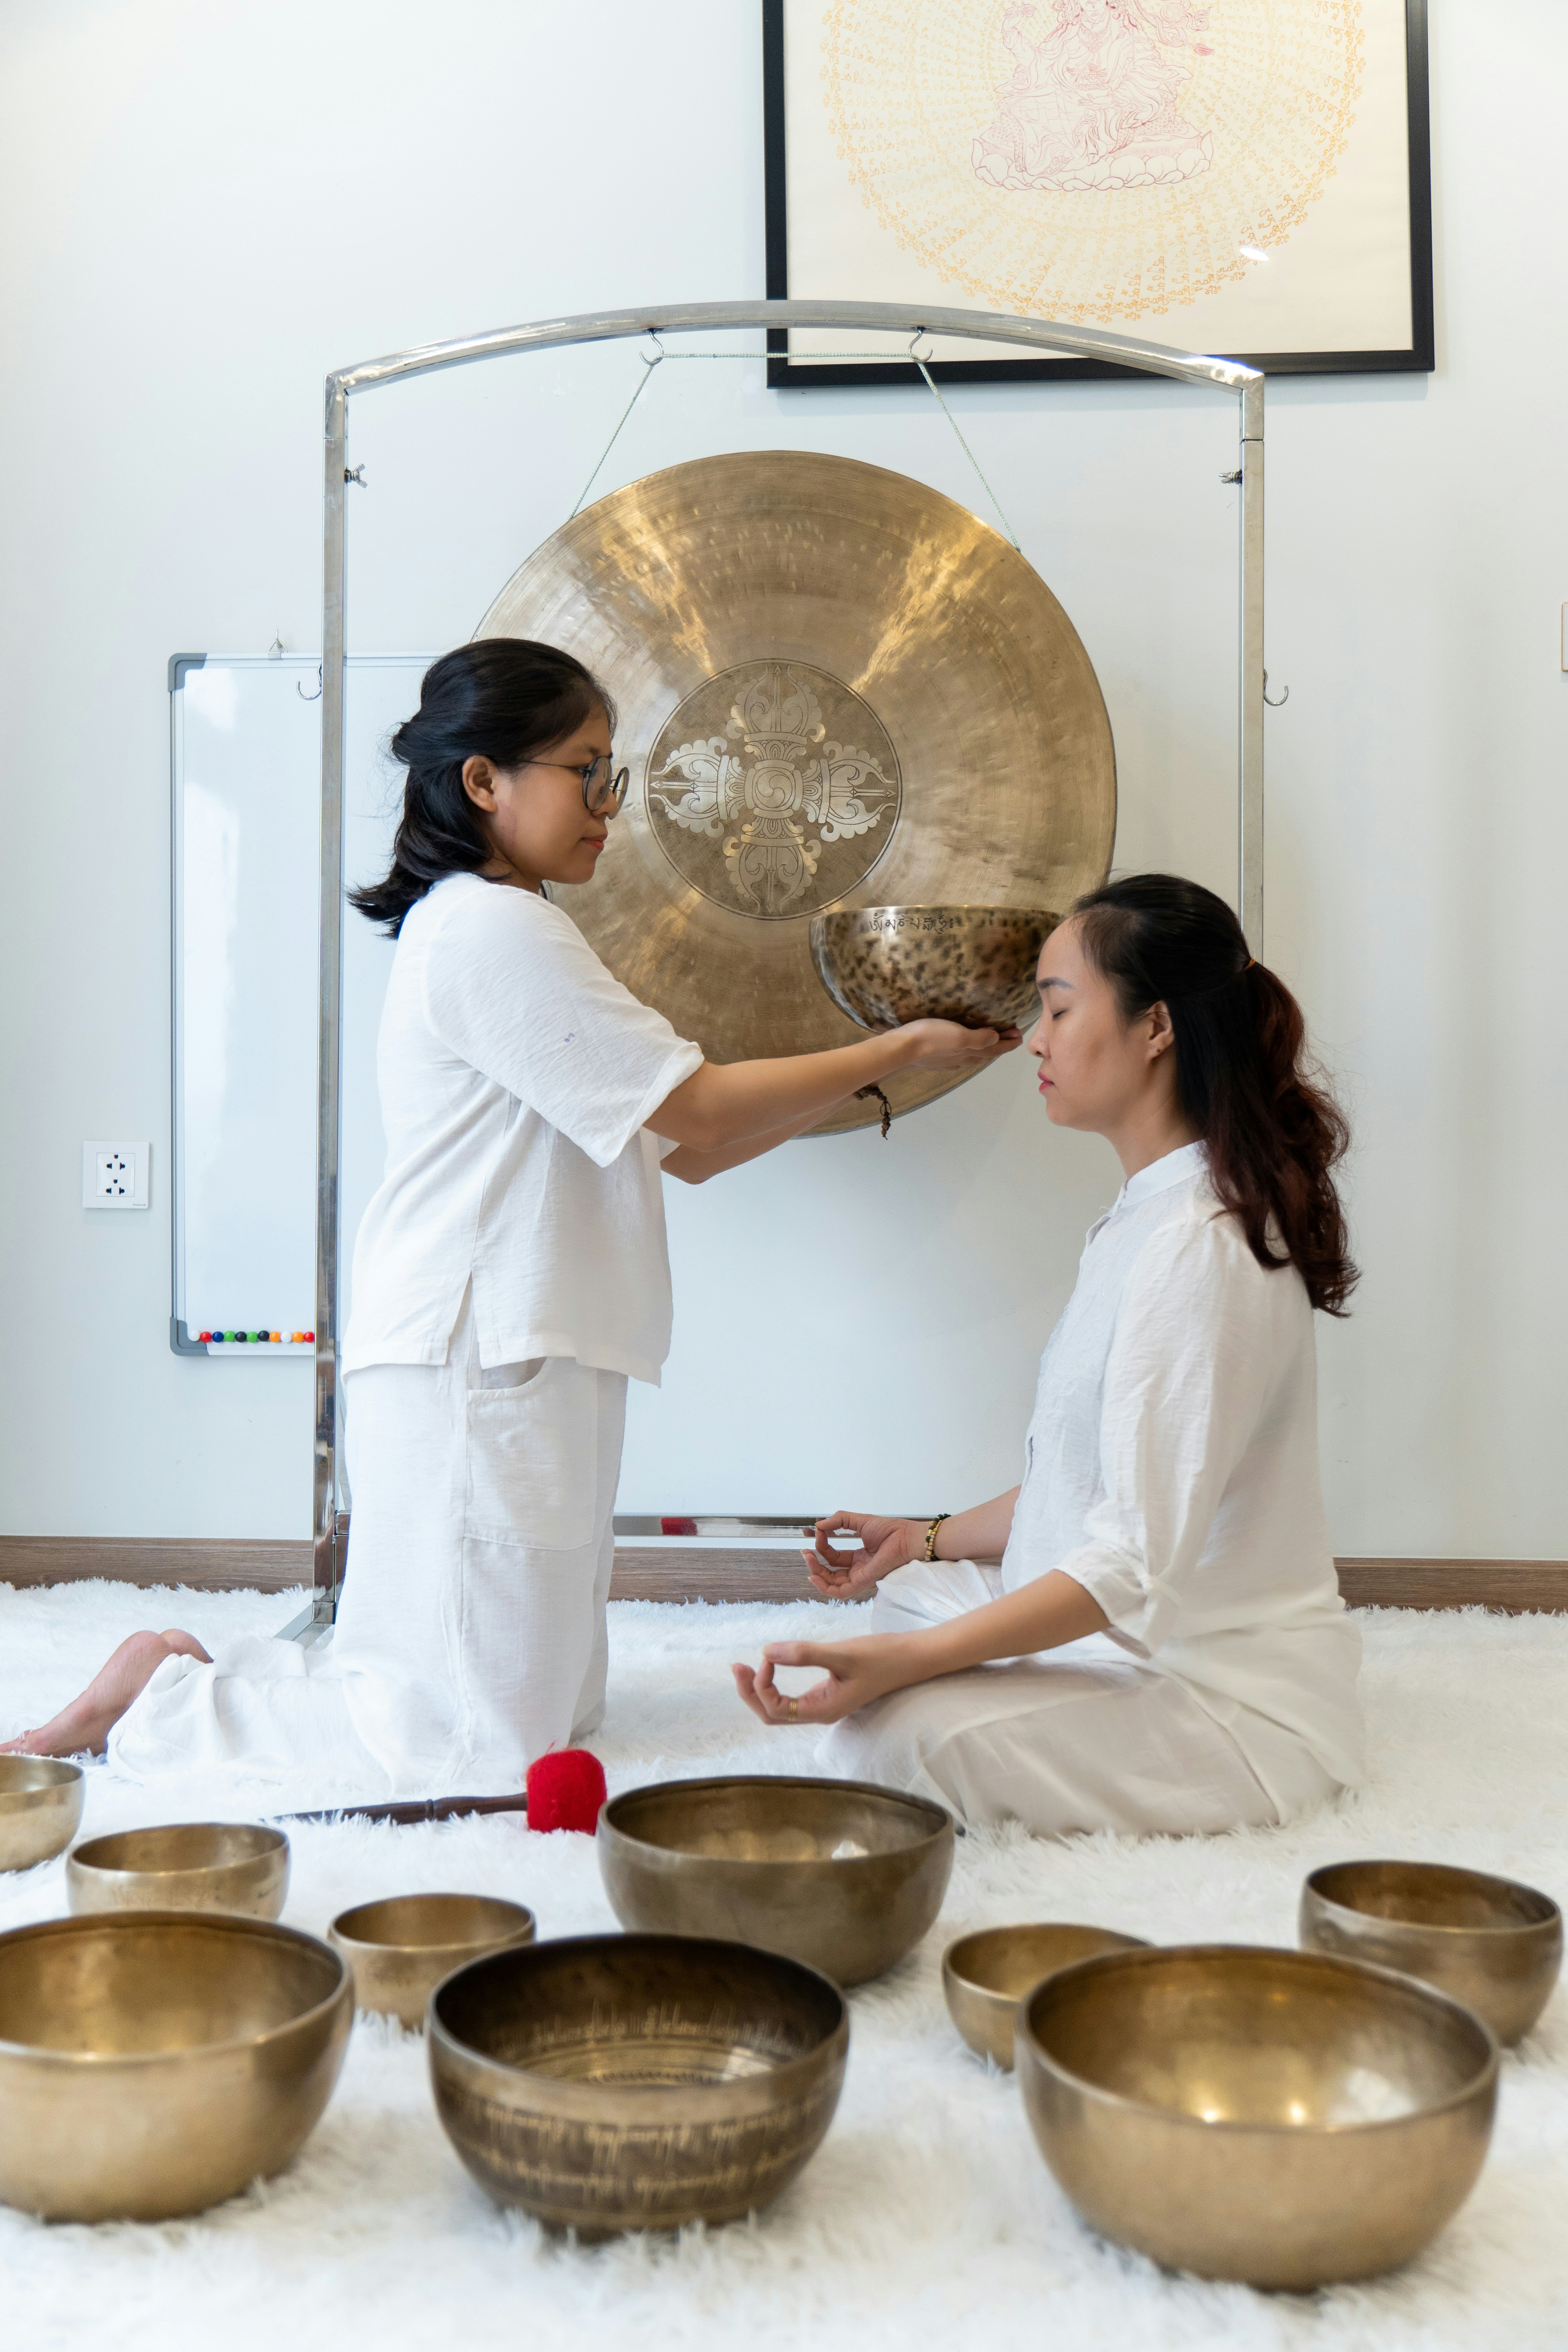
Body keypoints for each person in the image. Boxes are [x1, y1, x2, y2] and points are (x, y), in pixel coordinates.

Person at [4, 641, 1015, 1789]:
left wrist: (879, 1079)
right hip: (476, 1350)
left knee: (544, 1711)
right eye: (586, 771)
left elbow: (689, 1151)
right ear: (484, 780)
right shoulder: (490, 930)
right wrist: (898, 1047)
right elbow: (695, 1105)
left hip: (537, 1346)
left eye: (608, 773)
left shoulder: (512, 929)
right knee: (472, 1744)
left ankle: (211, 1678)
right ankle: (163, 1702)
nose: (607, 805)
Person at [734, 873, 1365, 1837]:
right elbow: (1090, 1479)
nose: (1035, 1039)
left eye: (1058, 1009)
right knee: (914, 1600)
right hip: (1128, 1637)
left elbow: (1129, 1563)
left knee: (890, 1740)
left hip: (1222, 1698)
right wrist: (924, 1537)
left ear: (1155, 1027)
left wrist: (914, 1666)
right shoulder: (1149, 1213)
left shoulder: (1195, 1247)